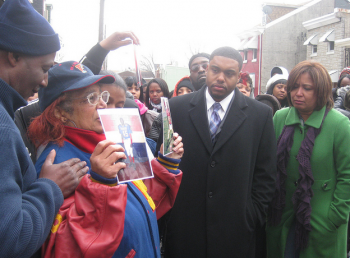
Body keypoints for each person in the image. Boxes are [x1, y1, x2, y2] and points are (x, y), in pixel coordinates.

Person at [28, 61, 184, 257]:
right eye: (91, 98)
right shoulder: (57, 163)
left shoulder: (110, 143)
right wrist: (100, 184)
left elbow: (144, 204)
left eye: (102, 96)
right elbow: (64, 247)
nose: (103, 104)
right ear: (61, 112)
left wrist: (167, 164)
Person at [159, 46, 277, 257]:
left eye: (229, 73)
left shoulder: (260, 115)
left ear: (239, 77)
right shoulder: (176, 108)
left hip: (235, 233)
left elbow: (266, 174)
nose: (220, 78)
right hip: (185, 230)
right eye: (215, 70)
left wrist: (251, 215)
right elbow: (164, 167)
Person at [0, 0, 90, 257]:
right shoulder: (4, 130)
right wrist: (50, 186)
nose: (44, 81)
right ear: (14, 56)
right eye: (44, 68)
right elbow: (11, 239)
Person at [266, 61, 350, 257]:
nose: (298, 93)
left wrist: (335, 216)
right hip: (281, 216)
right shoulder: (280, 118)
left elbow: (347, 176)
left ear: (321, 90)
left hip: (321, 221)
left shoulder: (340, 125)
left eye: (307, 88)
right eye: (294, 87)